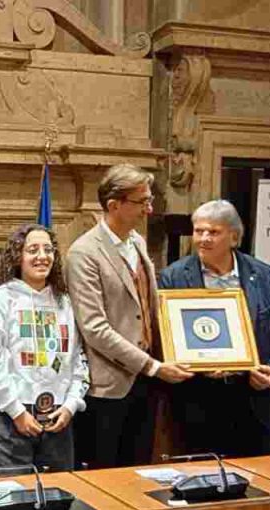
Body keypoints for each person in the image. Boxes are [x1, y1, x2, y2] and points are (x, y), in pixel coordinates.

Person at [65, 164, 193, 469]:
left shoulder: (136, 241)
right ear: (114, 205)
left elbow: (149, 306)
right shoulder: (83, 253)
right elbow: (95, 328)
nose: (149, 210)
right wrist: (151, 366)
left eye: (150, 201)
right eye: (142, 202)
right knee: (104, 476)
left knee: (138, 470)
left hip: (145, 382)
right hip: (108, 387)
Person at [159, 200, 270, 456]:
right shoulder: (173, 277)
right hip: (198, 400)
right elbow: (166, 338)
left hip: (256, 399)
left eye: (213, 232)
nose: (203, 238)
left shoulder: (265, 276)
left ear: (234, 237)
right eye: (199, 231)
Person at [0, 224, 87, 472]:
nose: (42, 256)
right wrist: (16, 411)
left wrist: (70, 405)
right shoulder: (3, 298)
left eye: (48, 249)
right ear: (18, 256)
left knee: (61, 493)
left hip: (59, 418)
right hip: (15, 417)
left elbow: (78, 358)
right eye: (32, 250)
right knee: (18, 496)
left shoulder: (63, 301)